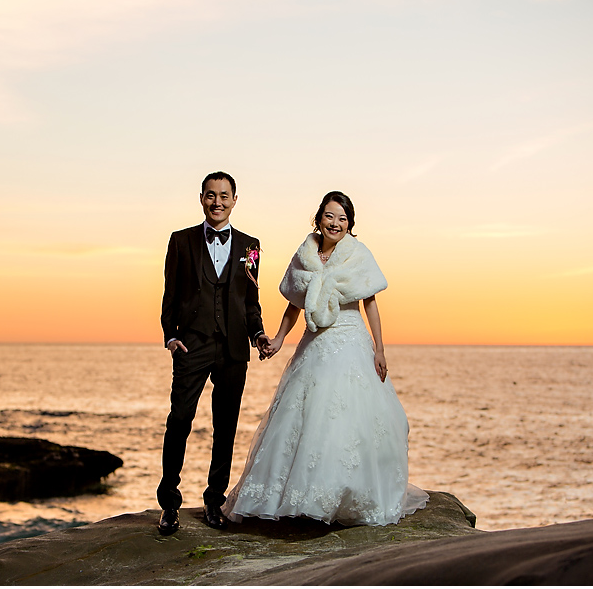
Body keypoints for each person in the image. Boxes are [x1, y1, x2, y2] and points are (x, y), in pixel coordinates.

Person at [222, 191, 429, 526]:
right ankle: (296, 499)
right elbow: (296, 304)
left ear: (350, 225)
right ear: (319, 218)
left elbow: (370, 303)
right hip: (314, 341)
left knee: (346, 418)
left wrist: (379, 348)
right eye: (330, 216)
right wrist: (278, 339)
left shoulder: (358, 255)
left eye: (343, 219)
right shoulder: (306, 254)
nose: (336, 223)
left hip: (350, 338)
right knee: (301, 415)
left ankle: (341, 497)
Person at [157, 171, 270, 534]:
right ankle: (169, 504)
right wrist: (170, 337)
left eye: (224, 195)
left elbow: (250, 299)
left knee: (226, 427)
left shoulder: (251, 246)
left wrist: (258, 333)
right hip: (192, 344)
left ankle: (214, 501)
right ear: (201, 198)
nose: (217, 201)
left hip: (234, 348)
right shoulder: (181, 241)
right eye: (211, 195)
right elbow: (170, 294)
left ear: (235, 200)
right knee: (180, 420)